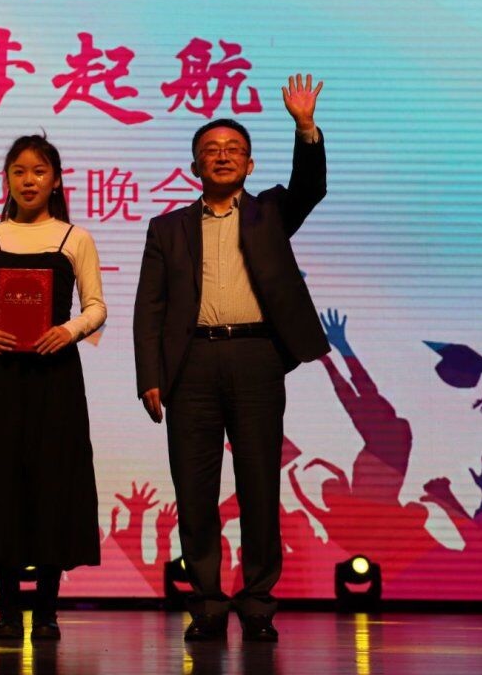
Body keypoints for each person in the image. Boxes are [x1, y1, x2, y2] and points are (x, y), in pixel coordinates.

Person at [133, 74, 329, 642]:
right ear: (195, 165)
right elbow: (149, 308)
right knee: (194, 490)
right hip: (190, 365)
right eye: (211, 150)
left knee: (259, 484)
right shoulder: (167, 228)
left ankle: (259, 602)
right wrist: (151, 376)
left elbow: (311, 186)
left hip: (256, 357)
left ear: (249, 164)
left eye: (234, 150)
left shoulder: (271, 212)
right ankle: (208, 603)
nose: (222, 156)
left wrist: (305, 127)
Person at [0, 134, 105, 641]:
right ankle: (9, 612)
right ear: (7, 179)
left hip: (54, 373)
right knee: (0, 485)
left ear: (55, 181)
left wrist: (70, 330)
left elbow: (96, 307)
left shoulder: (74, 238)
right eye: (19, 171)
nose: (29, 180)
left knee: (52, 483)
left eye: (39, 171)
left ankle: (49, 611)